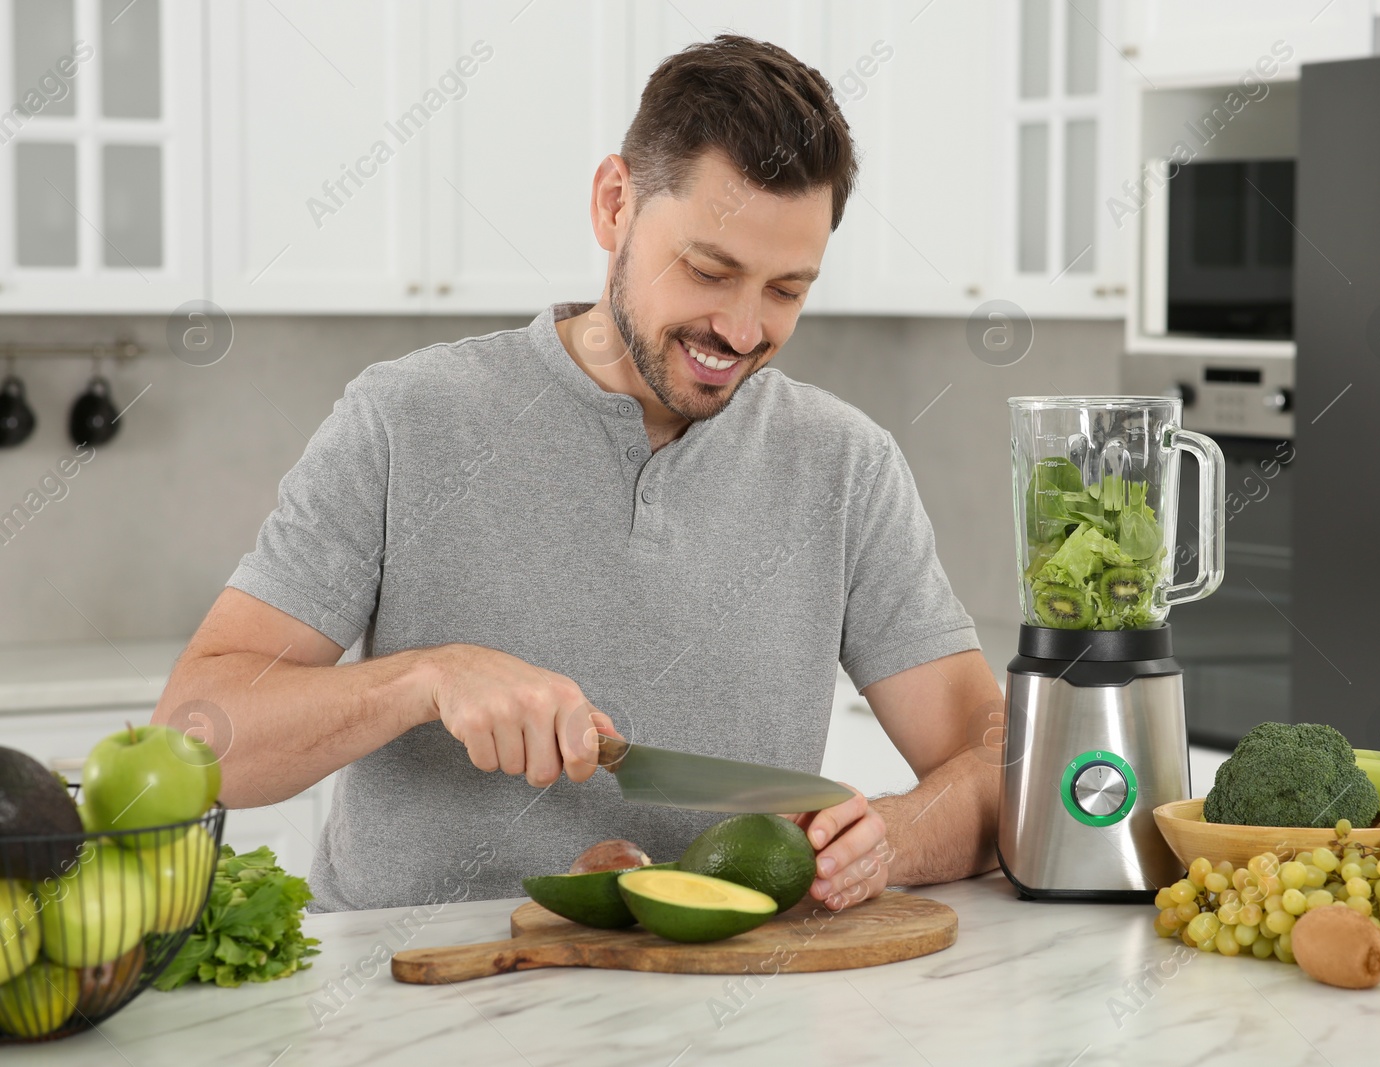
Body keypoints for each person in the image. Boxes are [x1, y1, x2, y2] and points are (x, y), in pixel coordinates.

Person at [156, 34, 1003, 914]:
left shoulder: (846, 467)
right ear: (613, 206)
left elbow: (997, 763)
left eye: (787, 289)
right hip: (418, 1006)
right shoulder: (405, 420)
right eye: (710, 270)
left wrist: (888, 839)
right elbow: (191, 740)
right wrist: (425, 679)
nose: (744, 329)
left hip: (726, 1012)